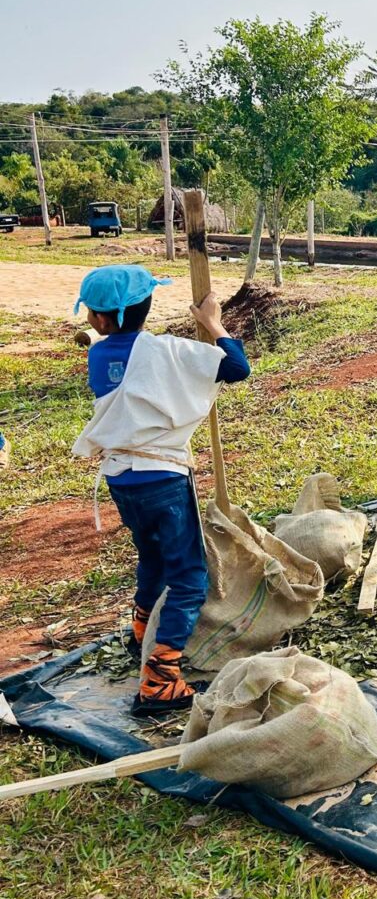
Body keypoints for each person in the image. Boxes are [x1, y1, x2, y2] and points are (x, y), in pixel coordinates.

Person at [71, 265, 251, 716]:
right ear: (145, 307)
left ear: (97, 319)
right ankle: (160, 677)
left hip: (121, 479)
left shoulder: (99, 355)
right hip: (163, 478)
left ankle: (141, 628)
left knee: (151, 553)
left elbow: (139, 372)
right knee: (189, 576)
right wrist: (213, 324)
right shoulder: (167, 351)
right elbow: (237, 367)